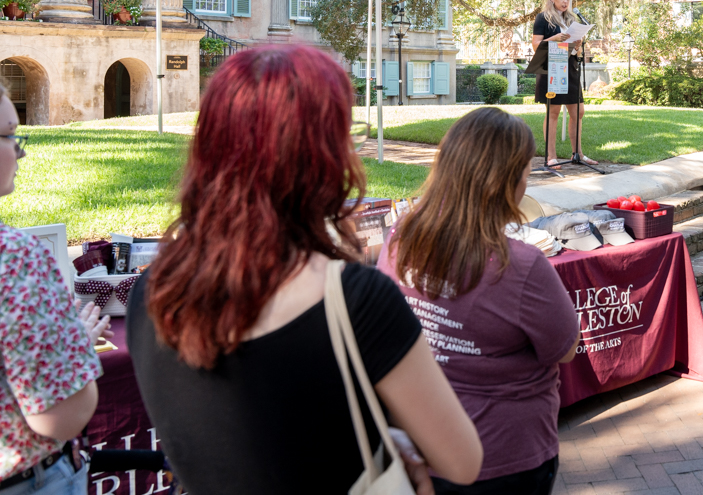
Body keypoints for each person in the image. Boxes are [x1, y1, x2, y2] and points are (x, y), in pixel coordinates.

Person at [128, 45, 483, 495]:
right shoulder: (357, 298)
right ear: (323, 157)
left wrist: (374, 438)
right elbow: (462, 459)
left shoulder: (150, 293)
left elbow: (240, 445)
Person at [382, 108, 578, 494]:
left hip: (420, 441)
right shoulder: (521, 266)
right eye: (525, 171)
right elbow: (566, 349)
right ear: (507, 183)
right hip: (503, 457)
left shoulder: (401, 236)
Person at [1, 81, 105, 495]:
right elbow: (61, 416)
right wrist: (75, 344)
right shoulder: (15, 257)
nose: (20, 150)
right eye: (9, 135)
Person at [531, 0, 596, 165]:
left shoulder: (571, 20)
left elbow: (577, 52)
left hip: (571, 67)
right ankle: (551, 157)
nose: (565, 1)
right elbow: (536, 45)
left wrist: (577, 46)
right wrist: (554, 39)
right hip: (552, 68)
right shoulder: (543, 18)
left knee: (578, 111)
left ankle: (578, 154)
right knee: (553, 111)